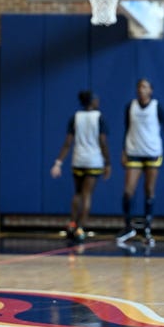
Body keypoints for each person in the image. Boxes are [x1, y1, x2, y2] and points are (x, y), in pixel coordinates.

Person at [116, 78, 164, 246]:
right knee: (128, 191)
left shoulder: (157, 107)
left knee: (149, 190)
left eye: (145, 86)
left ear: (151, 90)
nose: (141, 89)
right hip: (134, 152)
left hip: (152, 153)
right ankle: (128, 226)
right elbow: (127, 130)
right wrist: (123, 151)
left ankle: (147, 228)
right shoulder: (130, 107)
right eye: (139, 86)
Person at [50, 90, 111, 242]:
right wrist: (107, 162)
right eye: (96, 99)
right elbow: (103, 142)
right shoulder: (99, 117)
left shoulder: (75, 117)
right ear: (92, 101)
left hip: (78, 160)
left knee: (77, 193)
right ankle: (80, 228)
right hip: (93, 161)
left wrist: (58, 163)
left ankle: (72, 223)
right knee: (87, 195)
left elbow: (67, 143)